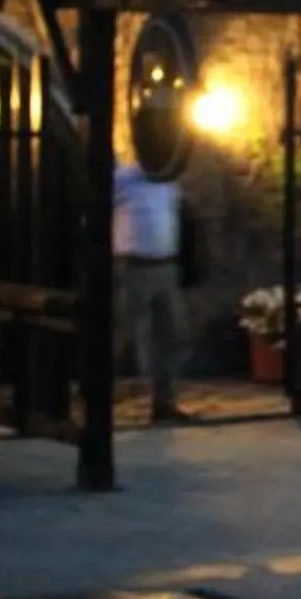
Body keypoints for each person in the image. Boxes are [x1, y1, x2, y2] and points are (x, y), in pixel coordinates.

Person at [112, 157, 189, 423]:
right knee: (121, 332)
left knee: (170, 334)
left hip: (166, 265)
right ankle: (98, 400)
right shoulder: (123, 178)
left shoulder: (169, 182)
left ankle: (164, 402)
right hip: (133, 266)